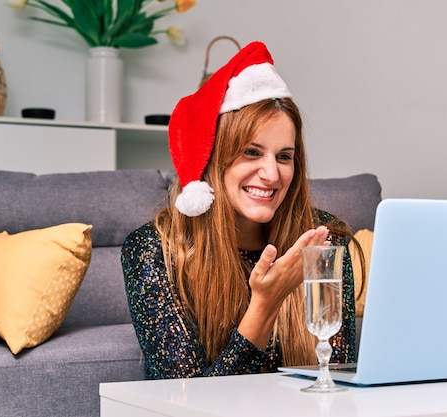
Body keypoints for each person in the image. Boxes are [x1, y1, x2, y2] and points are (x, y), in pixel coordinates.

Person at [121, 41, 363, 379]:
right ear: (212, 158)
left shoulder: (323, 241)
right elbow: (183, 400)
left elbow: (337, 376)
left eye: (284, 156)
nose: (272, 174)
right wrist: (265, 303)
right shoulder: (155, 250)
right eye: (251, 152)